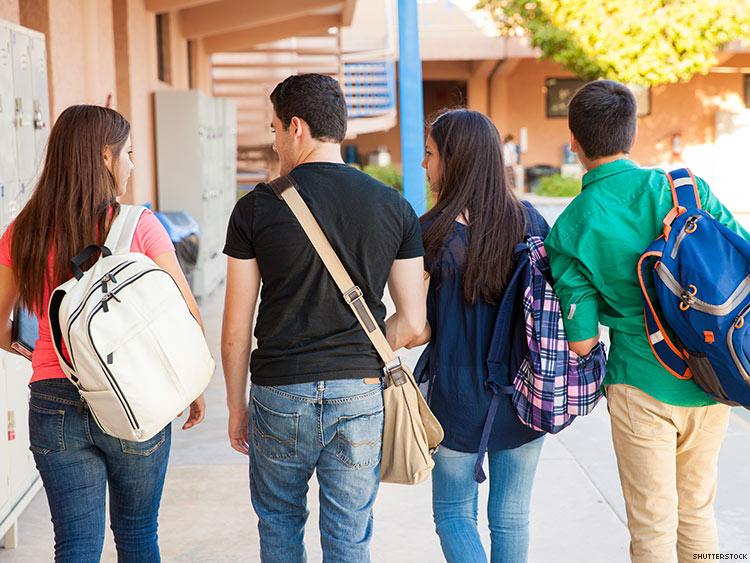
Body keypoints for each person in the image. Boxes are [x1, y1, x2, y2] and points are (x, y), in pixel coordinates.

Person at [221, 73, 426, 563]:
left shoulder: (254, 209)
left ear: (296, 127)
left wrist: (235, 408)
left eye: (273, 130)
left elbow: (234, 333)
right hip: (359, 391)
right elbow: (413, 323)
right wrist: (363, 345)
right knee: (349, 535)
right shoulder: (395, 207)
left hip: (279, 393)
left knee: (279, 524)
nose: (273, 144)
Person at [544, 80, 747, 563]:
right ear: (631, 134)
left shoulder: (570, 227)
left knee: (652, 523)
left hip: (640, 381)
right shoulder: (685, 188)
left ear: (574, 141)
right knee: (697, 511)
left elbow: (583, 342)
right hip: (713, 376)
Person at [0, 105, 206, 562]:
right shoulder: (139, 225)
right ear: (106, 158)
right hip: (136, 394)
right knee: (137, 534)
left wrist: (35, 353)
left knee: (75, 546)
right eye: (129, 153)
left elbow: (0, 324)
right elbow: (186, 314)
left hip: (53, 398)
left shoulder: (23, 231)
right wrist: (187, 384)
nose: (132, 165)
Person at [414, 108, 547, 563]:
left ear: (455, 160)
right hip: (526, 394)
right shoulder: (531, 224)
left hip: (452, 398)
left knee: (453, 514)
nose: (424, 164)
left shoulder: (429, 233)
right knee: (511, 518)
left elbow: (417, 327)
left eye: (429, 154)